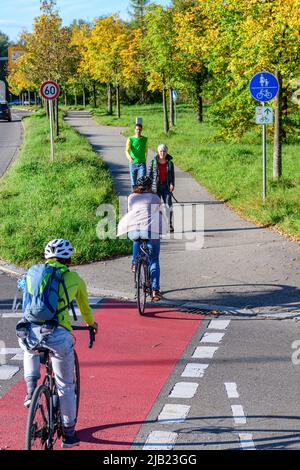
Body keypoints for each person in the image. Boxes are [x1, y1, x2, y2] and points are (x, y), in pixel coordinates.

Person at [17, 239, 98, 449]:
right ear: (68, 259)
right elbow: (85, 309)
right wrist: (91, 324)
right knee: (65, 386)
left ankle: (30, 390)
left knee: (29, 349)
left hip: (30, 331)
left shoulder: (31, 274)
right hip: (58, 335)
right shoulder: (74, 278)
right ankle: (69, 435)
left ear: (47, 257)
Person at [117, 176, 167, 301]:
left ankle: (135, 263)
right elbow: (159, 212)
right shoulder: (155, 197)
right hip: (151, 230)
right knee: (154, 259)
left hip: (134, 229)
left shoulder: (131, 197)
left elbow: (131, 212)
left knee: (136, 239)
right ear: (150, 186)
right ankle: (155, 290)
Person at [149, 144, 175, 232]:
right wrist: (148, 188)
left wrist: (172, 184)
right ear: (158, 152)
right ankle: (155, 224)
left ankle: (169, 224)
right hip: (155, 187)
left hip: (166, 187)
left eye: (164, 151)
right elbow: (149, 175)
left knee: (168, 204)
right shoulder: (153, 162)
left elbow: (172, 176)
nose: (162, 153)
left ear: (167, 152)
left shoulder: (170, 163)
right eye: (161, 151)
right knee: (155, 206)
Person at [126, 123, 148, 190]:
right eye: (137, 129)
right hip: (133, 163)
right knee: (134, 182)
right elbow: (127, 150)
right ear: (134, 130)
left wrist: (145, 159)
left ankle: (141, 196)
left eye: (140, 129)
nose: (138, 131)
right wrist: (129, 158)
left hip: (142, 163)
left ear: (141, 130)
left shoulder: (145, 139)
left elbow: (146, 150)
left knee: (142, 181)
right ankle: (134, 197)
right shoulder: (130, 139)